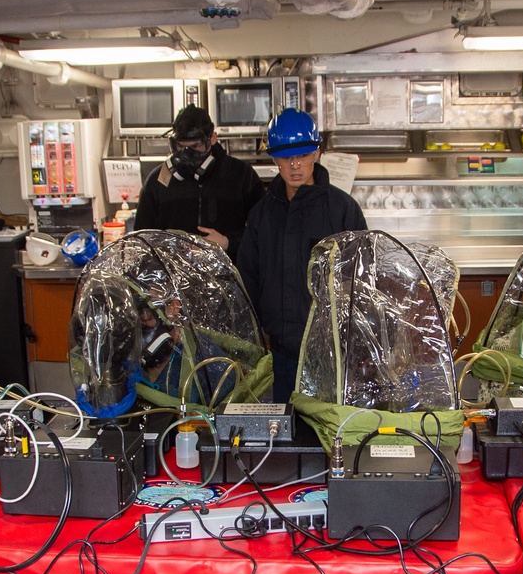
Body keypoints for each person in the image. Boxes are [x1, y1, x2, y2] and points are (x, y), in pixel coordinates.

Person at [237, 109, 367, 404]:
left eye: (303, 155)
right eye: (286, 157)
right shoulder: (261, 214)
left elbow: (361, 280)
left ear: (316, 153)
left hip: (331, 352)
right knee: (286, 433)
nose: (295, 165)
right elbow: (248, 277)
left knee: (329, 435)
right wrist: (257, 333)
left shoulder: (343, 209)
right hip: (280, 352)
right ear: (274, 159)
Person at [134, 104, 265, 261]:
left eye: (196, 146)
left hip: (228, 276)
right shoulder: (157, 182)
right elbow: (140, 240)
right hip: (173, 280)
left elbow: (264, 232)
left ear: (213, 139)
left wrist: (227, 242)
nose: (187, 154)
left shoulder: (242, 175)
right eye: (181, 147)